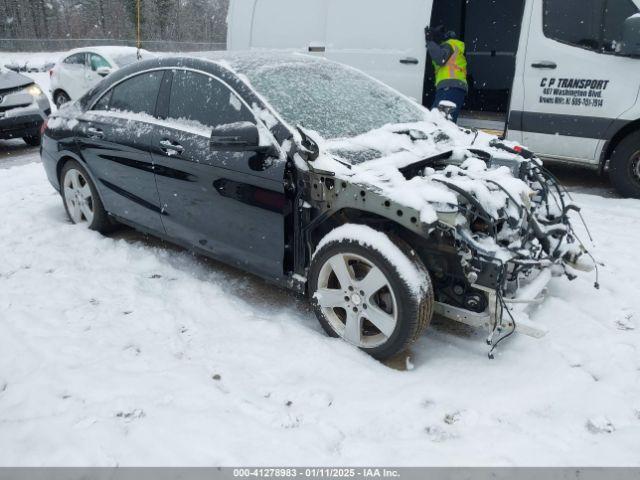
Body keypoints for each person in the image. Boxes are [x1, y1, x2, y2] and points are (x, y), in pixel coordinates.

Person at [425, 26, 468, 123]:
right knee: (444, 122)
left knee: (439, 122)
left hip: (450, 87)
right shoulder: (454, 46)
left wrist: (430, 41)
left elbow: (441, 59)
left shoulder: (449, 45)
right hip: (453, 87)